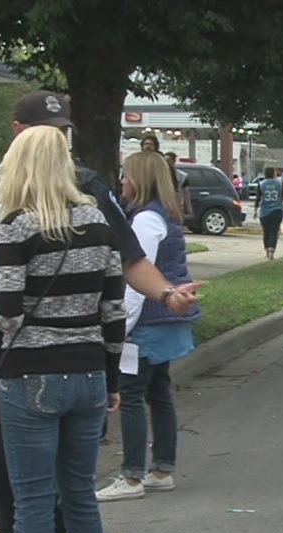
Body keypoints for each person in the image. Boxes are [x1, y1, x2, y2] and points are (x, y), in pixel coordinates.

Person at [0, 90, 201, 533]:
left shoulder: (89, 188)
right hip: (6, 349)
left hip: (59, 349)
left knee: (65, 484)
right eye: (51, 130)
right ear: (19, 131)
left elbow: (125, 260)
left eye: (65, 131)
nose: (60, 139)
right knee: (11, 468)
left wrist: (166, 294)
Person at [0, 125, 120, 533]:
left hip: (31, 375)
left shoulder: (15, 225)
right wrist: (109, 379)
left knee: (34, 504)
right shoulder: (99, 221)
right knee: (81, 497)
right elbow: (113, 311)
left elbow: (7, 308)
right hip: (87, 374)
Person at [96, 151, 200, 502]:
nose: (121, 182)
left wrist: (119, 328)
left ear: (138, 180)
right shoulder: (163, 216)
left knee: (131, 396)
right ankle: (161, 469)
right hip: (167, 321)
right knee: (159, 393)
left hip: (146, 323)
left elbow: (138, 280)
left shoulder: (144, 221)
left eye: (125, 176)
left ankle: (132, 476)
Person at [253, 166, 283, 260]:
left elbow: (258, 198)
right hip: (277, 209)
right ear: (274, 173)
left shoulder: (261, 184)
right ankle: (272, 251)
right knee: (274, 231)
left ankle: (266, 251)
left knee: (266, 232)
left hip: (265, 211)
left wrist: (255, 210)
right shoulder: (279, 183)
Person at [163, 151, 192, 218]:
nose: (166, 163)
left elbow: (186, 194)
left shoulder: (182, 176)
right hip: (163, 207)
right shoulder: (160, 175)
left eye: (168, 160)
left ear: (174, 161)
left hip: (177, 207)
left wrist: (189, 210)